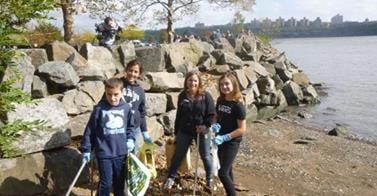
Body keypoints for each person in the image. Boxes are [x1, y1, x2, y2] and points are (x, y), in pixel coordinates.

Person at [80, 78, 135, 196]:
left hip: (121, 152)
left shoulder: (126, 108)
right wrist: (86, 149)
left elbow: (130, 127)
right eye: (109, 94)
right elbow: (90, 130)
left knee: (119, 182)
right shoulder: (99, 109)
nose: (112, 98)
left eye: (116, 94)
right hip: (104, 152)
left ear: (122, 92)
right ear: (105, 92)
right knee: (106, 183)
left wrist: (130, 139)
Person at [164, 71, 216, 189]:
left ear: (199, 82)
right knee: (178, 154)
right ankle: (171, 177)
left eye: (195, 80)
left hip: (201, 131)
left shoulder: (206, 96)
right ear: (186, 81)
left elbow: (212, 115)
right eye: (190, 80)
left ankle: (210, 179)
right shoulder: (182, 95)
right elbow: (179, 116)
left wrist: (205, 126)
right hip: (185, 131)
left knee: (206, 156)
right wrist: (176, 133)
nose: (192, 83)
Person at [214, 72, 247, 196]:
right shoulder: (220, 100)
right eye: (222, 84)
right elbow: (217, 116)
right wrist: (214, 125)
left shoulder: (238, 105)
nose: (224, 87)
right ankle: (230, 192)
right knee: (228, 169)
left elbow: (242, 129)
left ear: (233, 84)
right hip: (219, 138)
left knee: (222, 172)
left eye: (227, 84)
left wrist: (226, 137)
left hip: (232, 141)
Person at [121, 59, 151, 154]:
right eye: (130, 70)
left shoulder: (140, 91)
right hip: (120, 126)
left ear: (139, 74)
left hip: (135, 128)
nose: (132, 74)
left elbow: (141, 113)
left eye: (136, 72)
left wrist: (144, 132)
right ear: (126, 70)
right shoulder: (118, 84)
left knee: (133, 155)